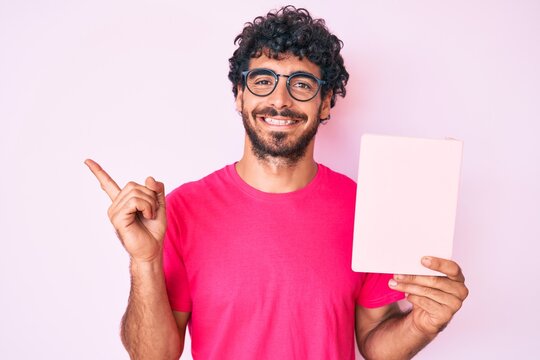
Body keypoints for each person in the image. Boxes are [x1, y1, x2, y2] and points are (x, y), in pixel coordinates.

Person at [85, 6, 468, 360]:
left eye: (301, 84)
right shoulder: (182, 209)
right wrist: (145, 261)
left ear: (326, 102)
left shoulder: (367, 207)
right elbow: (153, 356)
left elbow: (375, 343)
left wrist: (422, 324)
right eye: (263, 80)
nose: (280, 100)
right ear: (239, 95)